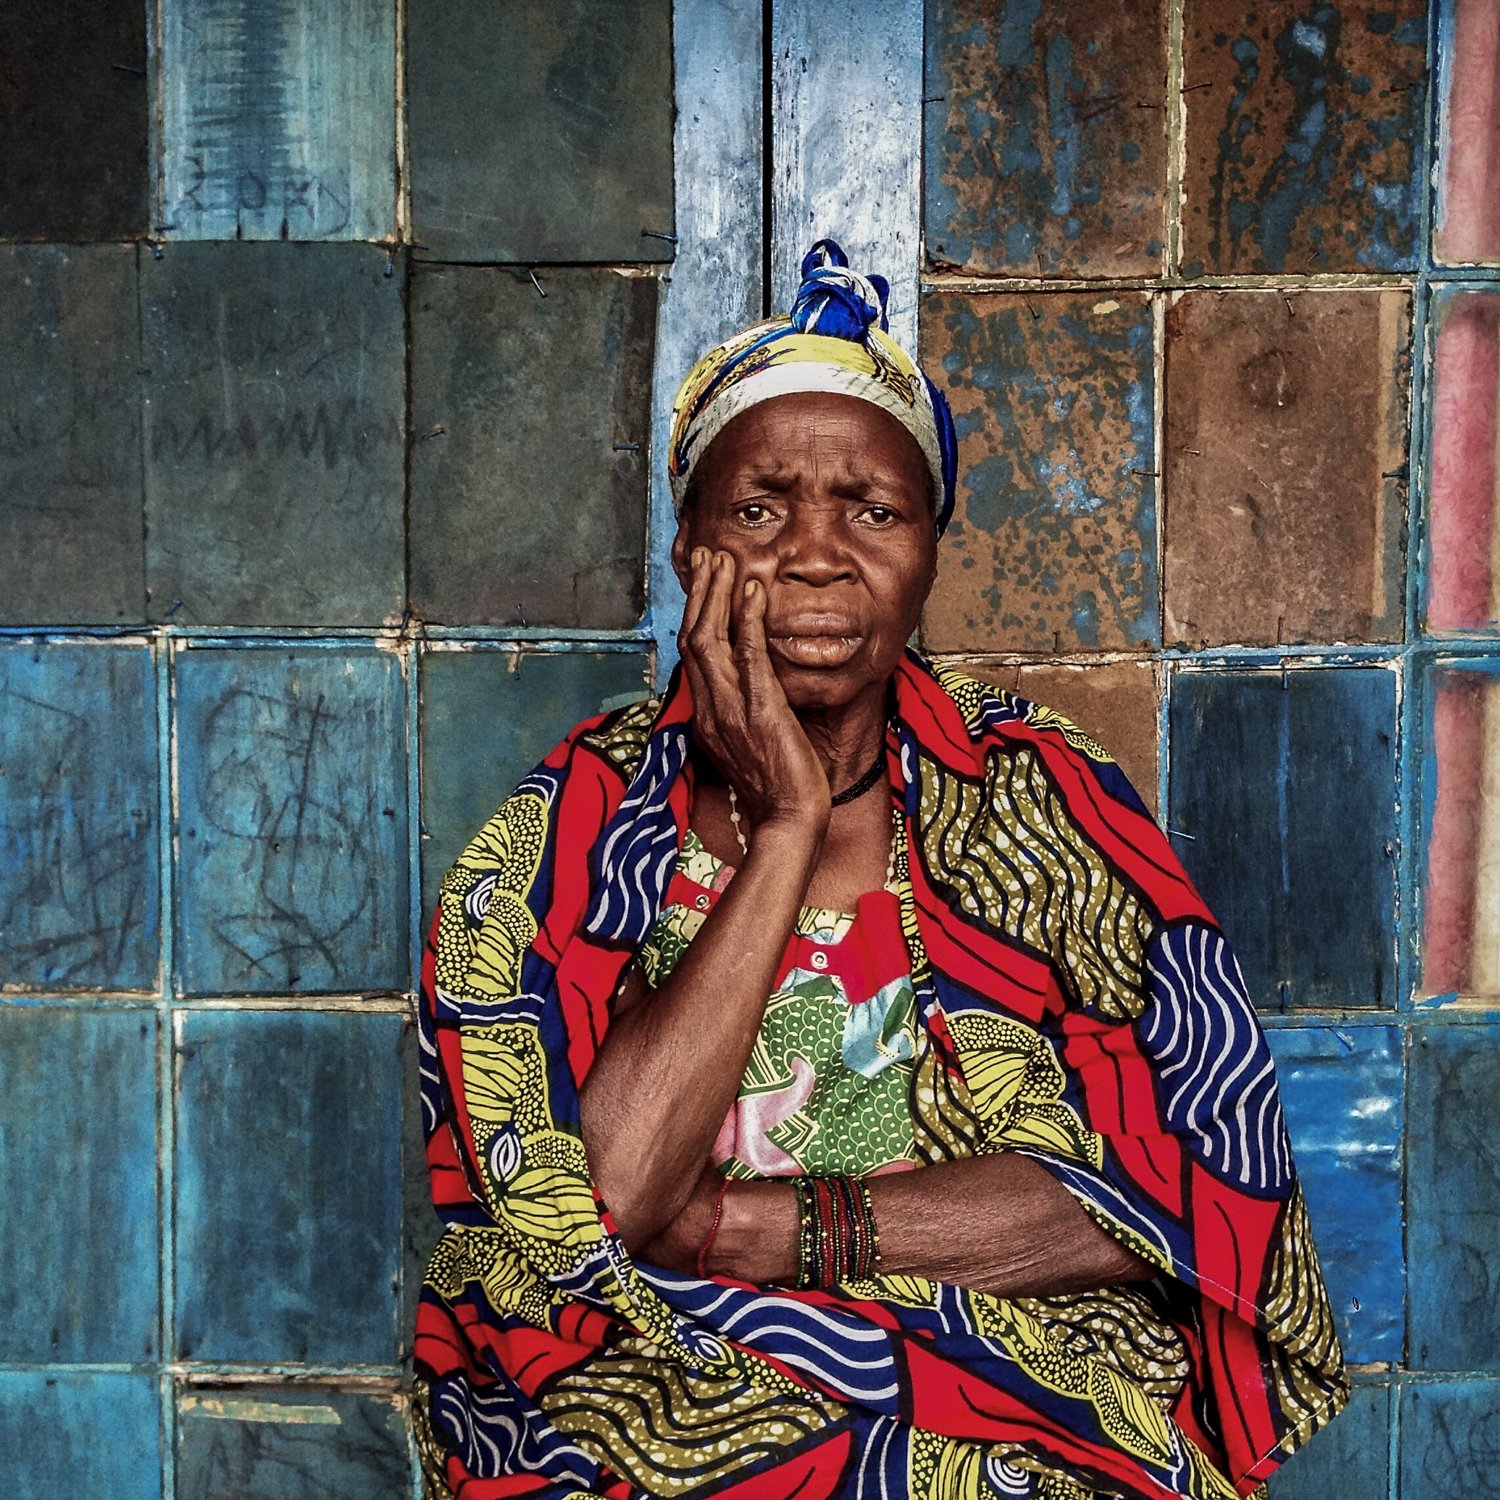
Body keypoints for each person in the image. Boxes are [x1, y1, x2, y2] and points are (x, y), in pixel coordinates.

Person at [411, 241, 1347, 1499]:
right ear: (687, 549)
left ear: (930, 556)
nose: (814, 554)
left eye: (874, 511)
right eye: (757, 510)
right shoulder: (575, 826)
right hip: (661, 1390)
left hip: (1012, 1389)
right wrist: (787, 828)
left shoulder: (1039, 801)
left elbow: (1178, 1193)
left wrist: (762, 1229)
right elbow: (607, 1204)